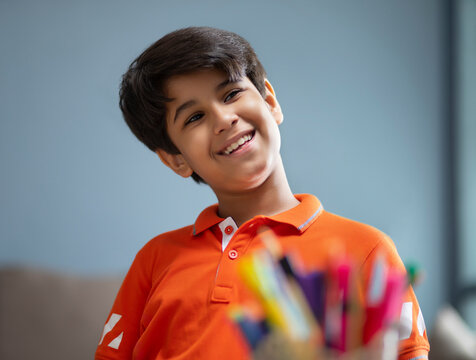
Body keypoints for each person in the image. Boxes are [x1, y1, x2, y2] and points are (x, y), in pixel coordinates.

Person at [95, 27, 430, 359]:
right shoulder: (154, 260)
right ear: (176, 159)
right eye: (195, 117)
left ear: (270, 101)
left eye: (230, 94)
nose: (224, 119)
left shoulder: (368, 249)